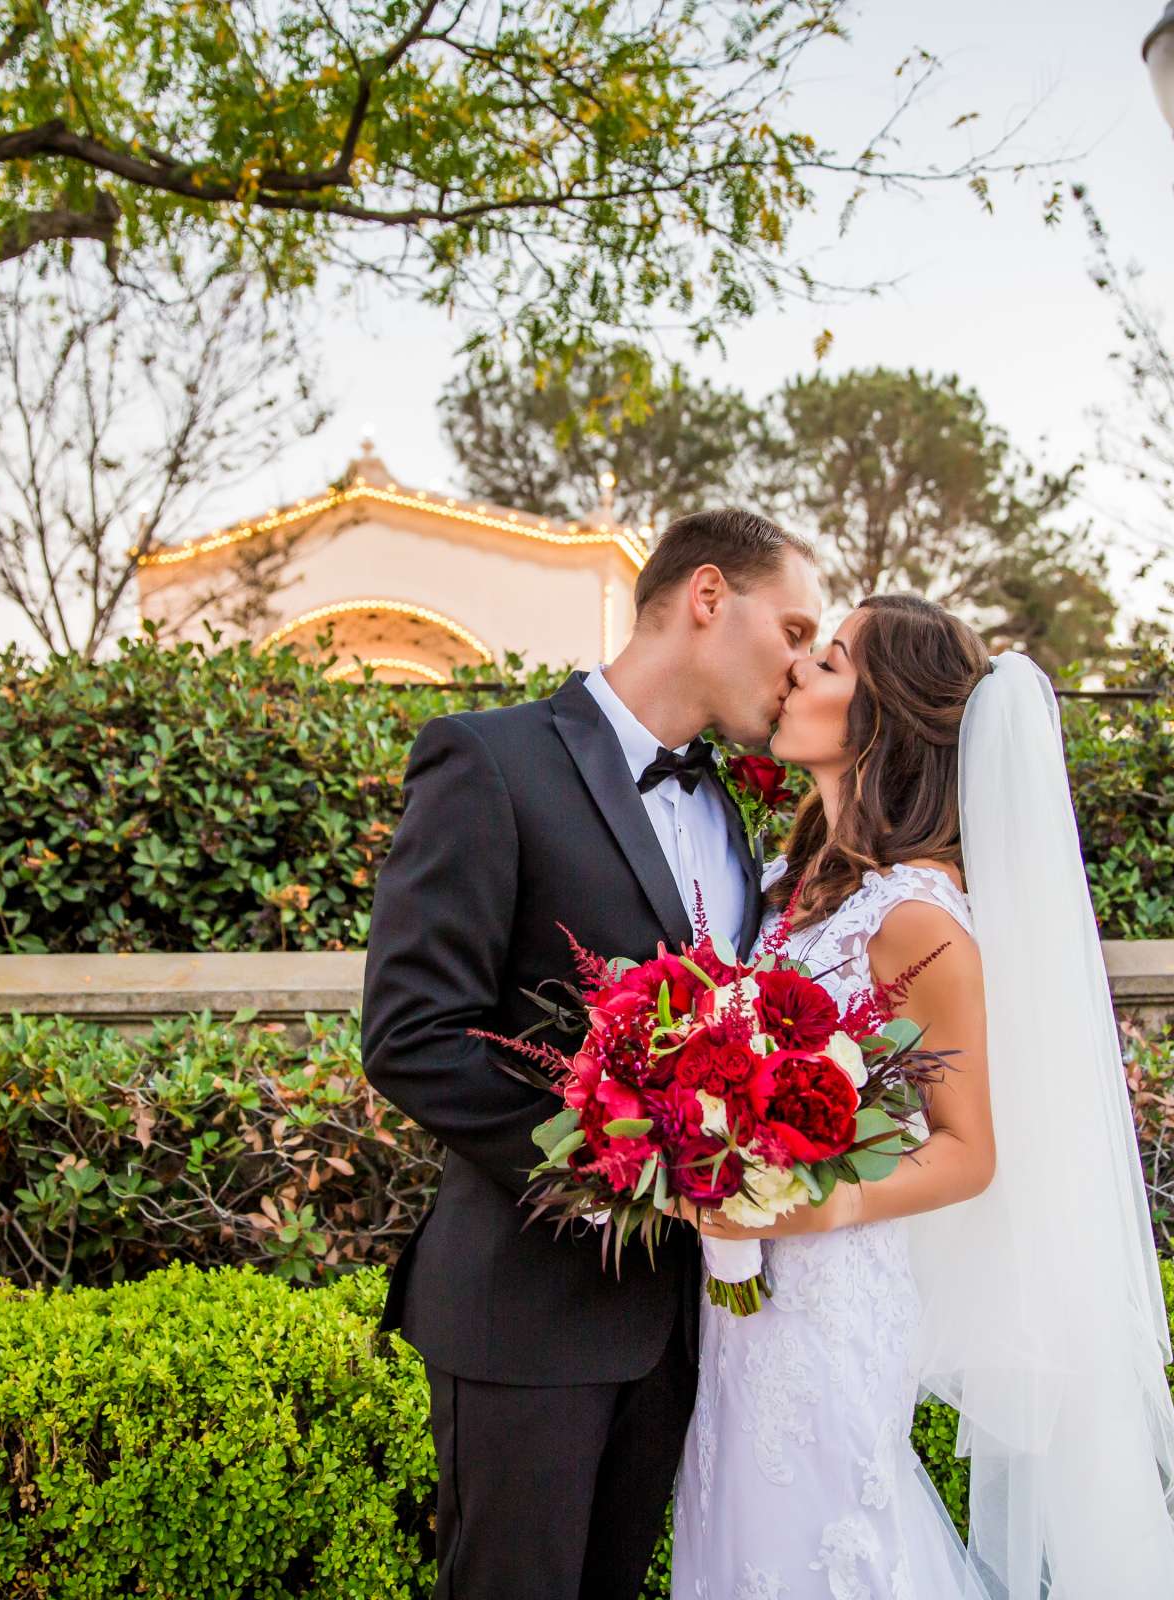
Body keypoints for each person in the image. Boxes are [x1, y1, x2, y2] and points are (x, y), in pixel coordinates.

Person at [667, 595, 1174, 1600]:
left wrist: (830, 1200)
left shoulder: (918, 917)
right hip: (741, 1291)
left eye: (826, 663)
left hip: (835, 1295)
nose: (794, 675)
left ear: (881, 718)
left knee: (827, 1535)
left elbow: (971, 1147)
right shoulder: (786, 880)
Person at [361, 508, 825, 1600]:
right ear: (709, 596)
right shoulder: (490, 758)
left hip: (678, 1336)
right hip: (525, 1318)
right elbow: (412, 1034)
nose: (803, 667)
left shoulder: (730, 805)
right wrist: (631, 1164)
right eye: (796, 630)